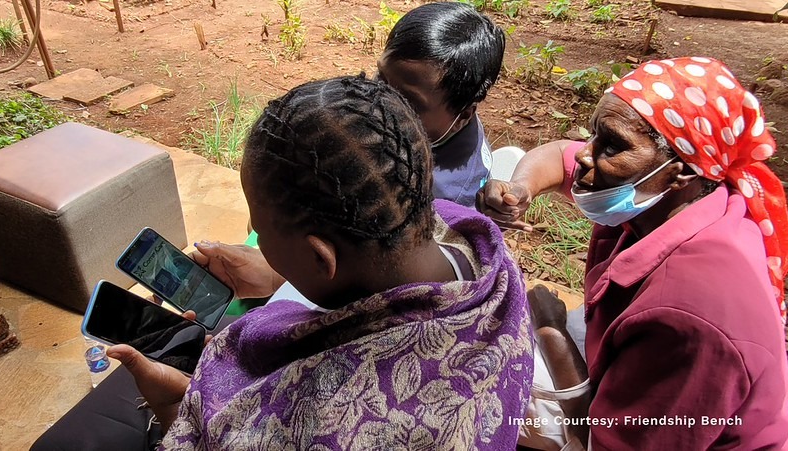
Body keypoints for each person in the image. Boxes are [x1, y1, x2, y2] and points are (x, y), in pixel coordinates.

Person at [34, 75, 533, 449]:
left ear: (321, 256)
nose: (259, 241)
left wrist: (173, 408)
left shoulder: (320, 417)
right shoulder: (473, 244)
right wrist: (277, 276)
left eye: (262, 230)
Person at [479, 57, 788, 449]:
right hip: (637, 368)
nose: (586, 157)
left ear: (683, 171)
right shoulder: (683, 197)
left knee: (486, 385)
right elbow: (559, 156)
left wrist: (552, 332)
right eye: (593, 136)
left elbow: (607, 443)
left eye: (611, 145)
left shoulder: (687, 315)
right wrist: (521, 187)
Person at [376, 2, 505, 208]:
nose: (380, 103)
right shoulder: (442, 111)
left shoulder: (442, 199)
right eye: (381, 79)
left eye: (408, 102)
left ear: (462, 116)